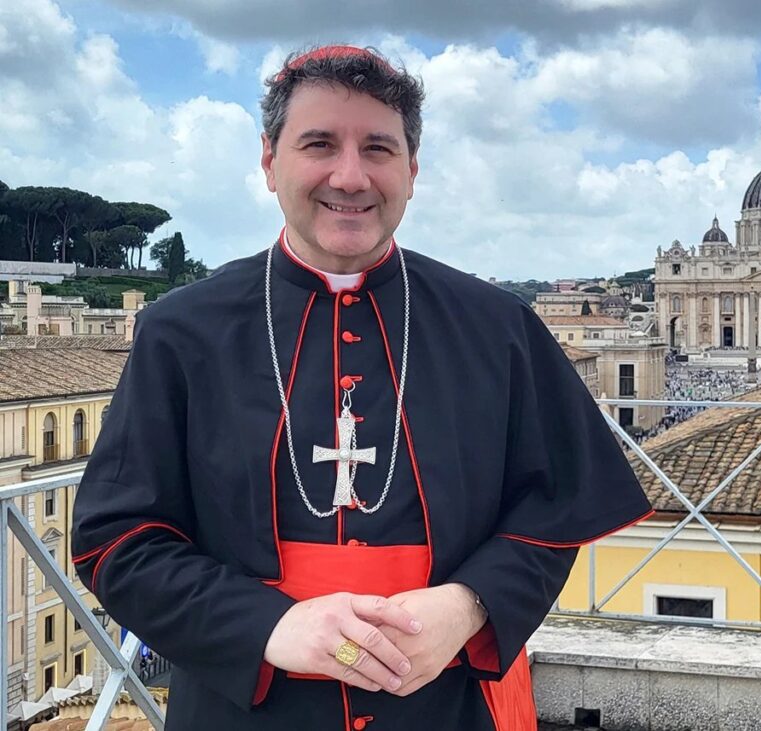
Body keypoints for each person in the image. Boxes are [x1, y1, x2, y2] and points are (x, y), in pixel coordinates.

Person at [71, 45, 652, 731]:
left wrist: (468, 605)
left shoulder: (498, 327)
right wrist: (270, 625)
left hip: (446, 704)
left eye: (378, 148)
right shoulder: (180, 332)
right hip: (243, 709)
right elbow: (119, 542)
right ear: (269, 161)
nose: (350, 176)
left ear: (411, 170)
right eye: (320, 144)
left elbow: (554, 512)